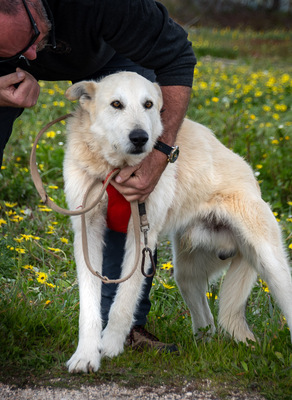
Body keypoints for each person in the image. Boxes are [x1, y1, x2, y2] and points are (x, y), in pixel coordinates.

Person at [0, 0, 196, 351]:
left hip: (112, 55)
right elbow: (22, 48)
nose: (32, 55)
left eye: (31, 38)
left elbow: (177, 57)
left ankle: (122, 326)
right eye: (16, 50)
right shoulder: (19, 47)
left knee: (130, 182)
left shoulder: (108, 6)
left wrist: (160, 152)